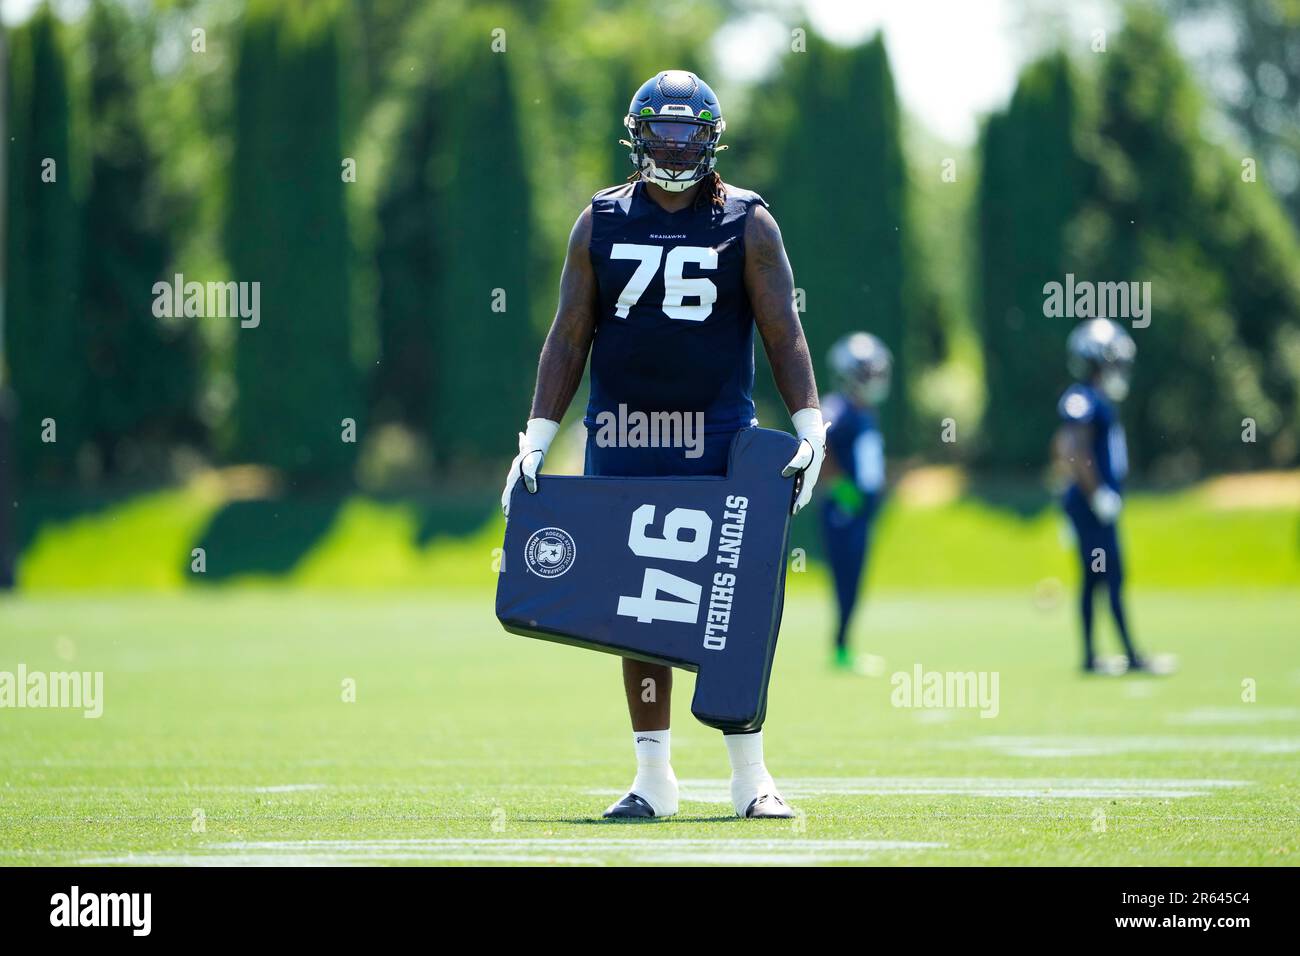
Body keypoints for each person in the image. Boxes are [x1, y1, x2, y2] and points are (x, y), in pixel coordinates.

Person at [500, 71, 827, 819]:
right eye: (662, 131)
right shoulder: (600, 220)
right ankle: (654, 779)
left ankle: (751, 778)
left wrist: (811, 425)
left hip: (717, 434)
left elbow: (784, 331)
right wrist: (538, 436)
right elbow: (569, 334)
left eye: (687, 132)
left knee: (732, 604)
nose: (674, 145)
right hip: (622, 432)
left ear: (710, 139)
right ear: (637, 135)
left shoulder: (748, 221)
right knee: (636, 607)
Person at [1052, 318, 1159, 675]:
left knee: (1098, 578)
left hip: (1089, 506)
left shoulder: (1096, 399)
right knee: (1107, 575)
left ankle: (1097, 655)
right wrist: (1096, 492)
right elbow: (1070, 448)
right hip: (1089, 507)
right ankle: (1125, 654)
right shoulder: (1083, 399)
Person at [818, 333, 890, 673]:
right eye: (868, 372)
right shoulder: (840, 408)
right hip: (843, 510)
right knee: (846, 579)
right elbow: (821, 445)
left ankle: (844, 645)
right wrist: (843, 489)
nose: (874, 379)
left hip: (860, 510)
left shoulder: (864, 411)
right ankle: (841, 648)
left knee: (855, 579)